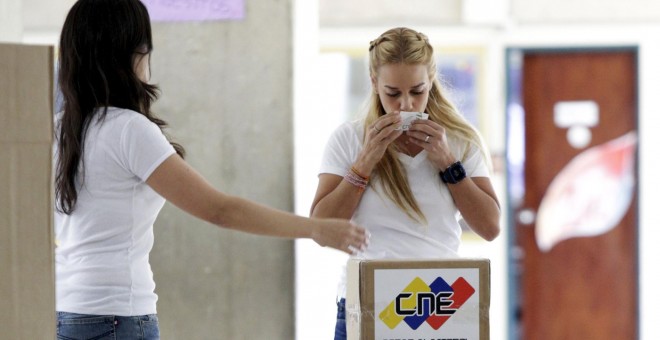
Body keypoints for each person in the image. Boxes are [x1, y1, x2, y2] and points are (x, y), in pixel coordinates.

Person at [53, 1, 369, 339]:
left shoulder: (59, 130)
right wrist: (315, 229)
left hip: (65, 312)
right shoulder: (129, 129)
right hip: (118, 315)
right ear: (133, 53)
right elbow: (219, 210)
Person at [309, 27, 501, 339]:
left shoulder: (460, 141)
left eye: (417, 91)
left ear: (432, 80)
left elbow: (490, 227)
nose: (407, 106)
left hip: (438, 301)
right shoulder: (348, 139)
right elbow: (320, 230)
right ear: (374, 83)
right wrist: (366, 160)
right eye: (393, 94)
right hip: (368, 298)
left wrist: (448, 164)